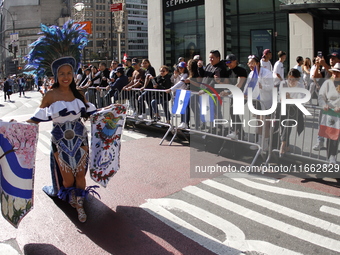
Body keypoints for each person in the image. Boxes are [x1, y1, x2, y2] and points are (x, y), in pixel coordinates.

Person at [24, 20, 98, 223]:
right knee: (67, 178)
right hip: (60, 140)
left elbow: (93, 113)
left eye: (69, 73)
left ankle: (79, 202)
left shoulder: (79, 94)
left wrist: (110, 112)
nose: (66, 77)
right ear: (56, 75)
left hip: (80, 137)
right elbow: (36, 119)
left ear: (73, 74)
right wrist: (16, 125)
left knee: (81, 176)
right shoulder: (50, 95)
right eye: (61, 74)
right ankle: (71, 197)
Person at [244, 55, 274, 152]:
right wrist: (245, 94)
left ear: (257, 63)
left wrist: (262, 86)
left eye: (252, 62)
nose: (250, 65)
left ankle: (265, 144)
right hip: (256, 101)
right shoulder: (251, 74)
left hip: (266, 102)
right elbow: (248, 85)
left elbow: (271, 87)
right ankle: (259, 142)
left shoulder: (267, 73)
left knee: (265, 123)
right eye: (248, 63)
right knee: (259, 122)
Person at [279, 68, 305, 157]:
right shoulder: (283, 83)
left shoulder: (301, 86)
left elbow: (302, 99)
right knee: (283, 125)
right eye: (290, 79)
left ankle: (283, 145)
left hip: (295, 108)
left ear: (298, 79)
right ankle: (287, 145)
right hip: (284, 107)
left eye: (294, 79)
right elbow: (281, 97)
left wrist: (290, 98)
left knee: (288, 123)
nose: (291, 81)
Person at [220, 54, 247, 140]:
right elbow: (227, 84)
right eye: (226, 62)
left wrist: (227, 92)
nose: (228, 64)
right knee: (233, 112)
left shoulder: (241, 70)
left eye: (229, 62)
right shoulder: (229, 72)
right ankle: (240, 132)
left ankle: (236, 131)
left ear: (235, 61)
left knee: (233, 110)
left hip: (242, 95)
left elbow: (239, 84)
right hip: (234, 95)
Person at [317, 62, 340, 164]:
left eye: (338, 73)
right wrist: (323, 105)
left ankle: (332, 156)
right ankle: (331, 157)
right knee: (331, 136)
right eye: (334, 72)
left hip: (339, 112)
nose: (335, 74)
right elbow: (321, 96)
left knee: (337, 136)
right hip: (330, 113)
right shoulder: (327, 83)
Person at [166, 61, 189, 129]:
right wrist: (175, 76)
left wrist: (171, 89)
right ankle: (182, 122)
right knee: (181, 108)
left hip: (184, 93)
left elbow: (180, 83)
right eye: (179, 68)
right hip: (180, 93)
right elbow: (174, 82)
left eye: (181, 68)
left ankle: (185, 122)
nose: (180, 69)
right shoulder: (179, 75)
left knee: (184, 108)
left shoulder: (185, 75)